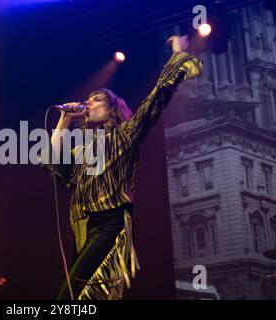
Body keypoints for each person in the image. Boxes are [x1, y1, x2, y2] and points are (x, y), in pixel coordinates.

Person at [43, 35, 203, 300]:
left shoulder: (125, 135)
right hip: (83, 225)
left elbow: (157, 97)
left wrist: (177, 54)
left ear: (113, 108)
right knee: (87, 298)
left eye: (97, 100)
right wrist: (64, 120)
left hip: (110, 222)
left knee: (68, 295)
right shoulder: (83, 147)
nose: (89, 104)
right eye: (88, 100)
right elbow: (55, 167)